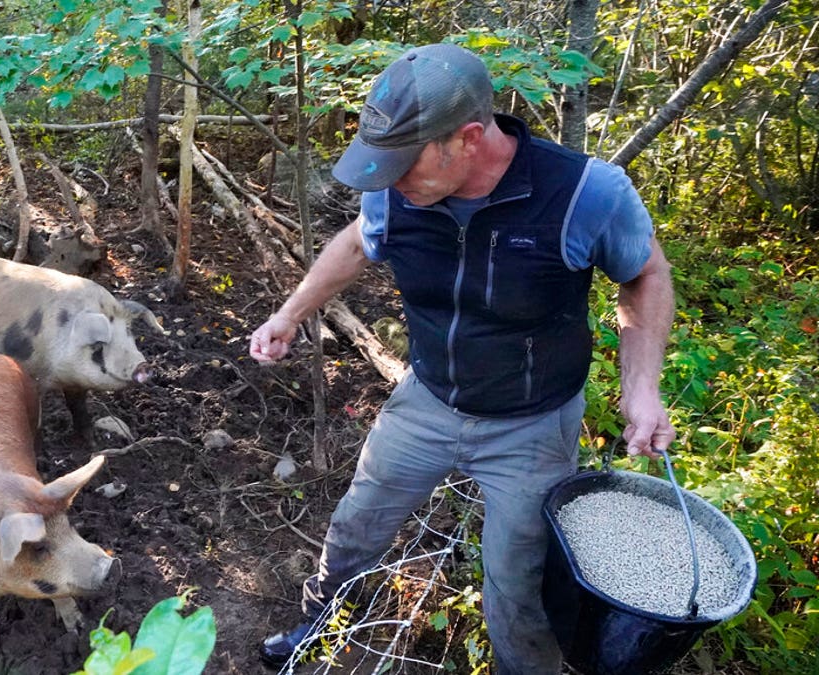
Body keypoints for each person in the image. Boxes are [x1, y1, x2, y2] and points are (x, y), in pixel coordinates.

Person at [249, 43, 676, 673]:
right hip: (429, 398)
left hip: (532, 422)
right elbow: (359, 244)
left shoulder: (585, 193)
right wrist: (289, 314)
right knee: (355, 526)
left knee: (517, 587)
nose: (388, 183)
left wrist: (642, 387)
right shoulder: (395, 190)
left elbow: (644, 274)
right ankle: (322, 622)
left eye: (402, 166)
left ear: (469, 138)